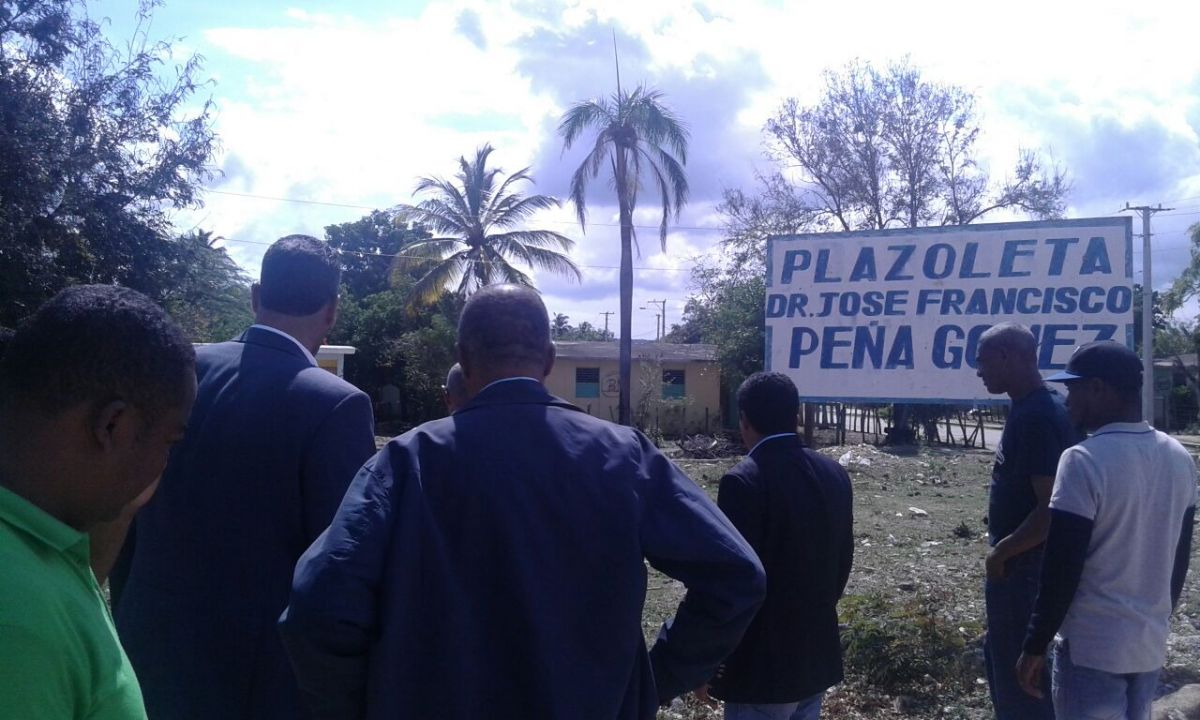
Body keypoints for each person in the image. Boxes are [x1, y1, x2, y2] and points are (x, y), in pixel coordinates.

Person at [280, 284, 766, 720]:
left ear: (463, 359)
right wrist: (657, 677)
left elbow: (318, 606)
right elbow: (736, 575)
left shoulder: (407, 462)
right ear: (549, 360)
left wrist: (368, 700)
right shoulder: (624, 456)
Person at [112, 235, 377, 720]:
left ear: (256, 296)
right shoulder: (337, 405)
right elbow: (337, 567)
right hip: (255, 679)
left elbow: (126, 508)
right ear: (333, 311)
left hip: (142, 648)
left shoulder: (182, 369)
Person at [0, 285, 196, 718]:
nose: (162, 465)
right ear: (112, 425)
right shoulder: (17, 625)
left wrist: (122, 508)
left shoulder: (38, 540)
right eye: (170, 441)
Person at [1016, 341, 1197, 719]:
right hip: (1147, 643)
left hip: (1092, 647)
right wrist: (1156, 619)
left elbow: (1062, 566)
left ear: (1098, 388)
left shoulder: (1082, 460)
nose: (1068, 401)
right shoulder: (1180, 457)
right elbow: (1178, 559)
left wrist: (1035, 644)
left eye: (1073, 389)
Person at [700, 372, 853, 720]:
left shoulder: (744, 481)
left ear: (744, 420)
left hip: (762, 668)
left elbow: (731, 585)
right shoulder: (834, 473)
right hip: (815, 657)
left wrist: (707, 659)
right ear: (795, 415)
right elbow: (843, 561)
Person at [975, 322, 1078, 720]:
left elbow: (1051, 508)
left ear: (1006, 357)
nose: (979, 371)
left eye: (983, 361)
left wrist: (1001, 554)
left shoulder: (1038, 415)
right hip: (1024, 567)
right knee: (1008, 660)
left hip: (1025, 569)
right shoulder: (1033, 406)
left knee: (1022, 678)